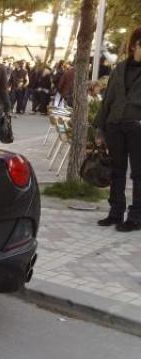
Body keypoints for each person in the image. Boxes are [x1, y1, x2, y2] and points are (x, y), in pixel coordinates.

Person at [94, 27, 141, 232]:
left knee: (139, 174)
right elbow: (107, 101)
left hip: (137, 128)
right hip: (115, 126)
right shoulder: (119, 69)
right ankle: (115, 213)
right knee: (117, 171)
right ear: (134, 46)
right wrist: (100, 129)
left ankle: (136, 216)